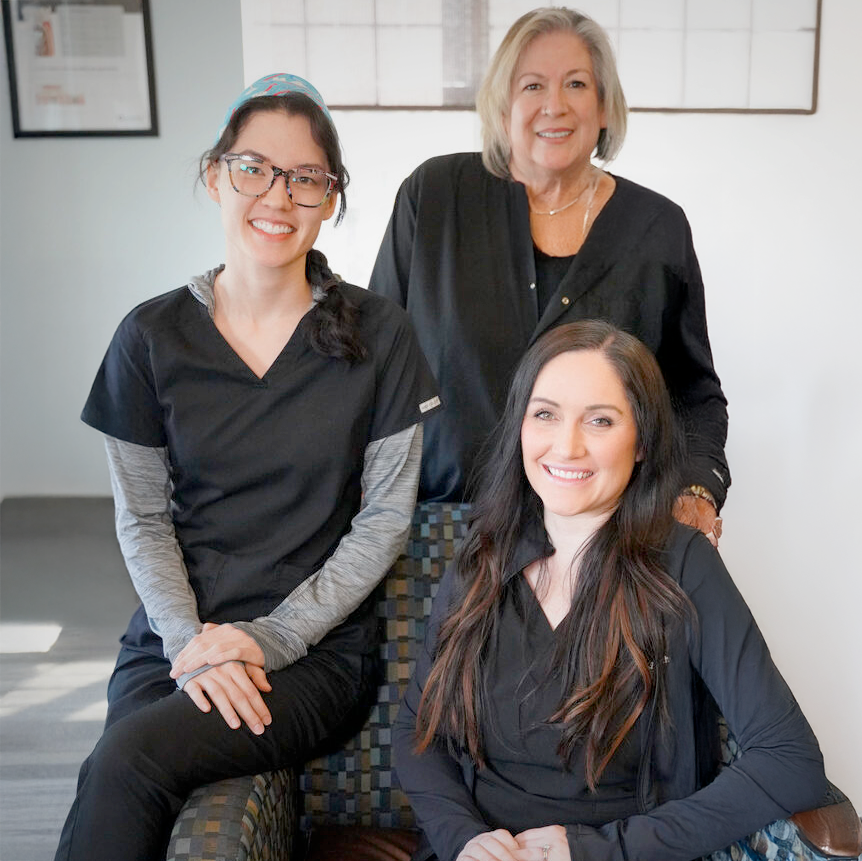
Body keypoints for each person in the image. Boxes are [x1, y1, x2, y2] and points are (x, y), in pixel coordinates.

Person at [54, 73, 440, 860]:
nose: (278, 195)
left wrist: (265, 639)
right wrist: (191, 642)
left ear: (331, 198)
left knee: (127, 762)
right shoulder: (150, 336)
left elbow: (383, 522)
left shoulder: (381, 334)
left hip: (313, 655)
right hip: (173, 638)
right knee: (117, 773)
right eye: (254, 167)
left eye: (306, 178)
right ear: (215, 175)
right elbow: (143, 517)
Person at [392, 320, 827, 861]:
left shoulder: (684, 564)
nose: (566, 446)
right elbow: (419, 727)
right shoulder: (483, 555)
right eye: (545, 414)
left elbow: (790, 760)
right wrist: (464, 838)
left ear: (642, 442)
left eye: (599, 420)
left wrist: (591, 850)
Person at [371, 7, 728, 544]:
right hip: (442, 533)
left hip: (605, 540)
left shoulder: (657, 227)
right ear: (503, 103)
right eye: (532, 84)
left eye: (577, 84)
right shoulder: (435, 195)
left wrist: (698, 488)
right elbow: (375, 363)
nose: (554, 105)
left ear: (604, 105)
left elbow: (692, 393)